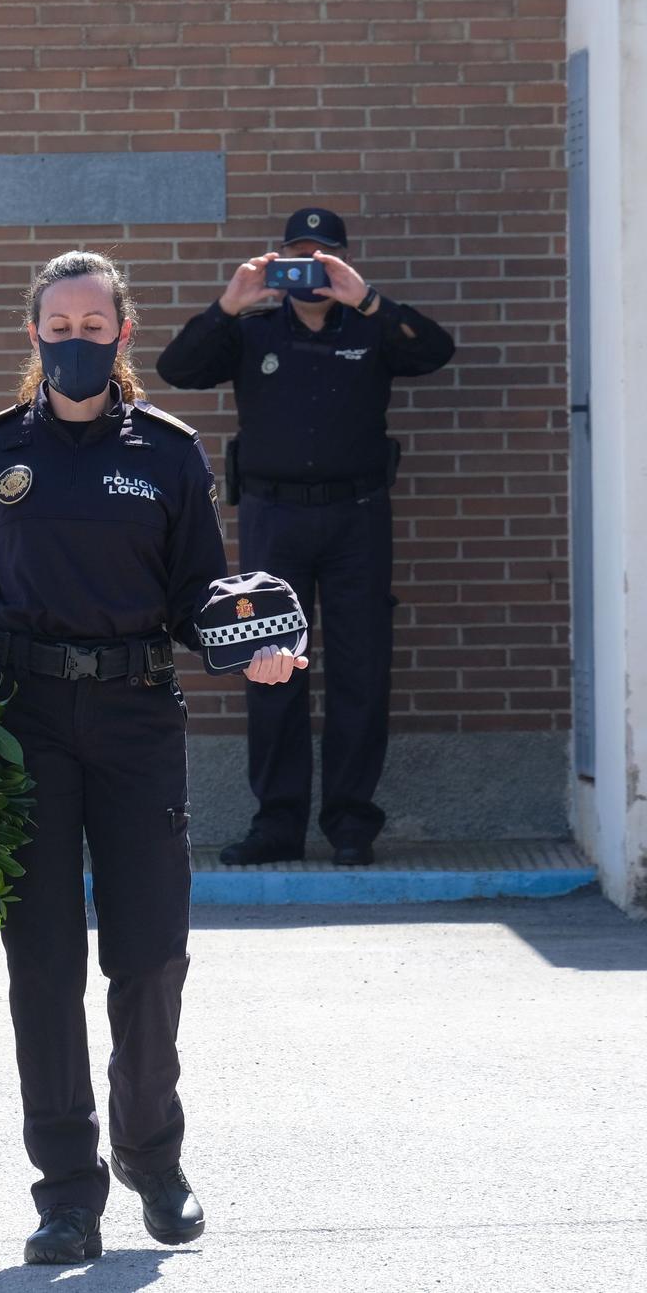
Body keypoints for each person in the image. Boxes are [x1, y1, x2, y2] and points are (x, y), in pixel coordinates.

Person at [0, 250, 305, 1265]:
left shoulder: (170, 455)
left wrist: (250, 649)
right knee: (42, 966)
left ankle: (152, 1152)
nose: (75, 341)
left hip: (137, 722)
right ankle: (64, 1190)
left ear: (122, 336)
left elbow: (198, 597)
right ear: (32, 333)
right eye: (58, 324)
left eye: (94, 326)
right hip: (24, 727)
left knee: (148, 959)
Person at [155, 207, 456, 868]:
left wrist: (370, 300)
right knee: (270, 666)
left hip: (358, 517)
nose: (309, 269)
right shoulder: (252, 329)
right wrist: (228, 305)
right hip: (274, 517)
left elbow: (436, 350)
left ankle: (351, 822)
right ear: (278, 262)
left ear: (343, 263)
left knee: (360, 667)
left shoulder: (372, 327)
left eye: (323, 258)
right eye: (297, 255)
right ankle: (277, 823)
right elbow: (176, 369)